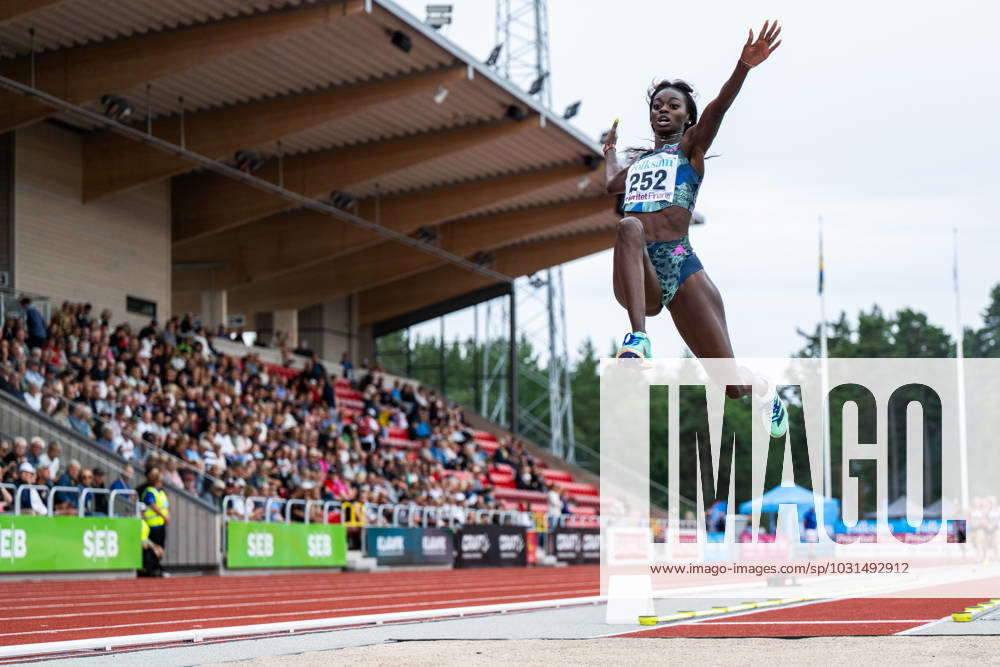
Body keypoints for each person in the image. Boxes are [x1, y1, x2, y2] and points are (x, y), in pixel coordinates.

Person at [603, 20, 788, 438]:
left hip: (684, 269)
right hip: (641, 272)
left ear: (687, 118)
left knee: (732, 386)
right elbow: (610, 182)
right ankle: (638, 337)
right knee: (628, 226)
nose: (663, 110)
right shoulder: (637, 167)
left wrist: (743, 66)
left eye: (673, 105)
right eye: (657, 105)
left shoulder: (691, 149)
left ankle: (762, 387)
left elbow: (719, 107)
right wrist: (610, 151)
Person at [141, 467, 170, 558]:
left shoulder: (161, 492)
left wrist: (167, 516)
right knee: (153, 548)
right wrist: (164, 516)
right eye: (160, 481)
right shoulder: (150, 491)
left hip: (161, 524)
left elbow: (165, 506)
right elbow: (153, 506)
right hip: (152, 525)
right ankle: (152, 569)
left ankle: (158, 567)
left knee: (160, 547)